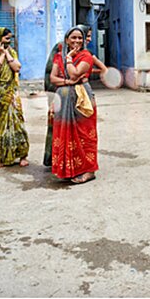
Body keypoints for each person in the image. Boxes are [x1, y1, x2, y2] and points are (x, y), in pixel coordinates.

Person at [49, 26, 98, 183]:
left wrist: (69, 58)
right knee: (65, 132)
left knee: (84, 133)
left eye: (80, 38)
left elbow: (75, 73)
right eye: (73, 38)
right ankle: (69, 169)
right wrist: (67, 82)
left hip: (82, 97)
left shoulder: (86, 56)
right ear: (67, 40)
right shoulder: (58, 56)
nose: (77, 41)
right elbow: (53, 78)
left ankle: (89, 171)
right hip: (63, 97)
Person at [0, 27, 30, 167]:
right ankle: (3, 157)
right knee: (0, 127)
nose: (9, 40)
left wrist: (6, 53)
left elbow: (17, 67)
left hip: (11, 93)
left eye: (10, 38)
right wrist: (1, 54)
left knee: (17, 124)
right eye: (6, 38)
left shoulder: (11, 51)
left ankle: (22, 155)